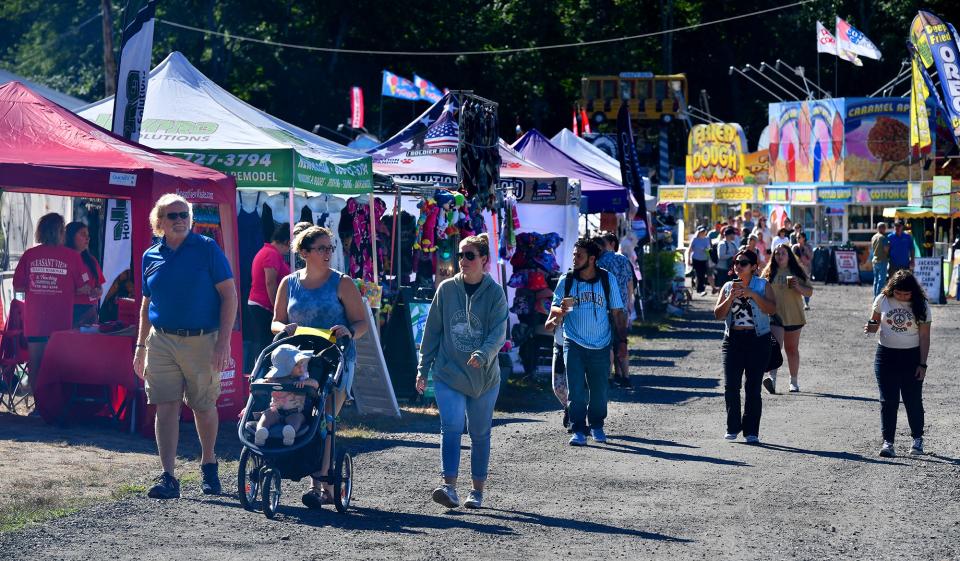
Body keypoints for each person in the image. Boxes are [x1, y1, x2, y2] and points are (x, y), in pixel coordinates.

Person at [133, 194, 238, 500]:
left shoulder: (207, 248)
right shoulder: (150, 256)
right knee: (165, 406)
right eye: (172, 215)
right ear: (159, 222)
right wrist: (141, 345)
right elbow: (146, 303)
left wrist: (223, 342)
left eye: (184, 215)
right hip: (161, 339)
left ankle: (208, 463)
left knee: (203, 406)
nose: (179, 220)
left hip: (202, 340)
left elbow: (229, 296)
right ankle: (168, 476)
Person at [272, 226, 368, 509]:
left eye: (330, 248)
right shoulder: (288, 283)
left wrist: (348, 331)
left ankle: (320, 485)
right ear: (304, 253)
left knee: (323, 416)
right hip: (299, 362)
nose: (328, 253)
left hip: (334, 359)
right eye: (322, 248)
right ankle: (307, 474)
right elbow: (275, 321)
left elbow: (361, 323)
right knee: (297, 413)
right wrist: (284, 328)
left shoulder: (343, 283)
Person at [416, 233, 508, 509]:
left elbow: (498, 333)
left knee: (480, 433)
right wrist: (423, 368)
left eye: (469, 256)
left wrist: (483, 354)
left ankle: (476, 491)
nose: (463, 261)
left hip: (484, 377)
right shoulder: (446, 290)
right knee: (452, 426)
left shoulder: (495, 293)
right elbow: (431, 332)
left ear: (484, 260)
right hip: (449, 372)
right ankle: (449, 487)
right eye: (460, 255)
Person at [546, 239, 626, 447]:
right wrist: (560, 310)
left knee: (599, 390)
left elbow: (617, 312)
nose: (574, 259)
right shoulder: (568, 280)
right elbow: (554, 307)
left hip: (601, 344)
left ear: (592, 259)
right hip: (573, 341)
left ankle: (597, 424)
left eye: (579, 255)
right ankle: (578, 428)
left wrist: (622, 342)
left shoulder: (607, 280)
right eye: (573, 255)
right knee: (576, 389)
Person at [13, 213, 89, 388]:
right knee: (58, 368)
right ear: (60, 232)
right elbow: (83, 287)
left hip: (35, 322)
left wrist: (40, 283)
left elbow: (18, 286)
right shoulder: (73, 257)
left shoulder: (29, 255)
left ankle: (38, 408)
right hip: (61, 323)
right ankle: (55, 408)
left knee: (36, 367)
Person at [863, 270, 931, 458]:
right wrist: (870, 328)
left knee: (912, 400)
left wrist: (922, 364)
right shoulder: (882, 299)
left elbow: (925, 336)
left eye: (906, 294)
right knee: (888, 400)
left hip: (912, 357)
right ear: (892, 288)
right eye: (898, 293)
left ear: (913, 292)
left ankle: (917, 439)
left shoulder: (922, 305)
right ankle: (888, 442)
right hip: (886, 356)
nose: (901, 297)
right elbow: (874, 323)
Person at [713, 249, 776, 443]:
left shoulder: (763, 285)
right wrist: (730, 298)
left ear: (754, 267)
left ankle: (751, 431)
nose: (738, 266)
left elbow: (772, 309)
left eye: (743, 263)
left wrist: (752, 294)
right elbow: (718, 314)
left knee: (753, 387)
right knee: (731, 385)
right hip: (733, 340)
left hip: (758, 339)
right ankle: (732, 426)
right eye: (736, 263)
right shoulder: (727, 287)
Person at [761, 244, 813, 394]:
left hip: (794, 316)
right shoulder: (769, 271)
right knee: (774, 348)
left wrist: (799, 289)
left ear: (789, 255)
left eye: (783, 253)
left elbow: (809, 293)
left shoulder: (797, 271)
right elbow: (760, 288)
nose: (780, 256)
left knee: (791, 349)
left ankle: (793, 382)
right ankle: (772, 379)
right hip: (774, 316)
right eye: (777, 253)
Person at [254, 344, 319, 447]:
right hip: (276, 411)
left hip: (295, 412)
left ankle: (290, 433)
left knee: (297, 419)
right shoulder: (274, 379)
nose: (301, 367)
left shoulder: (302, 380)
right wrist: (264, 382)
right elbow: (258, 383)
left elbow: (315, 384)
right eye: (297, 365)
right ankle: (261, 432)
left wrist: (306, 383)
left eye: (302, 364)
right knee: (266, 416)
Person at [247, 223, 291, 358]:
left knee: (263, 342)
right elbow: (270, 282)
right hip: (263, 305)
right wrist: (275, 307)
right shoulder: (271, 254)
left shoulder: (269, 252)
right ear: (287, 242)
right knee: (265, 343)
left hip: (261, 304)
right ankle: (261, 372)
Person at [596, 232, 634, 388]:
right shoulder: (623, 259)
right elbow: (630, 283)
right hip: (622, 306)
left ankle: (608, 377)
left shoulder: (599, 262)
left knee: (608, 344)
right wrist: (629, 302)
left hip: (606, 307)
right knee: (622, 341)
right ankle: (625, 376)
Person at [65, 221, 106, 327]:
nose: (87, 238)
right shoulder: (63, 259)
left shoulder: (91, 260)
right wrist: (76, 290)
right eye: (83, 234)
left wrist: (98, 291)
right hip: (69, 310)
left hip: (90, 310)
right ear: (70, 236)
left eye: (88, 235)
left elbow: (100, 285)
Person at [687, 227, 711, 296]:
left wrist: (707, 251)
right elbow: (690, 250)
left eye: (704, 232)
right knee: (698, 274)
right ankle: (700, 289)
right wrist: (688, 260)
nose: (703, 233)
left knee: (702, 275)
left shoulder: (707, 239)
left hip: (704, 259)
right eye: (701, 232)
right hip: (696, 259)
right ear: (699, 232)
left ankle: (700, 288)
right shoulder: (695, 239)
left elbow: (709, 249)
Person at [792, 232, 814, 310]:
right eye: (797, 237)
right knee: (794, 285)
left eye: (799, 237)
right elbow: (792, 258)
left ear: (804, 238)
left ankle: (806, 304)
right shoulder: (794, 247)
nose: (797, 239)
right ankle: (795, 303)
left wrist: (805, 249)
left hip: (806, 269)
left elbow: (811, 257)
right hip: (796, 269)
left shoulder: (809, 246)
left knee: (806, 286)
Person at [871, 222, 890, 298]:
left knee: (875, 280)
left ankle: (875, 297)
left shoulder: (874, 237)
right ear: (882, 228)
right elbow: (886, 249)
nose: (885, 229)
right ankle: (878, 298)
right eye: (884, 228)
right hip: (882, 260)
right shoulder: (883, 237)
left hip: (875, 260)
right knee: (881, 280)